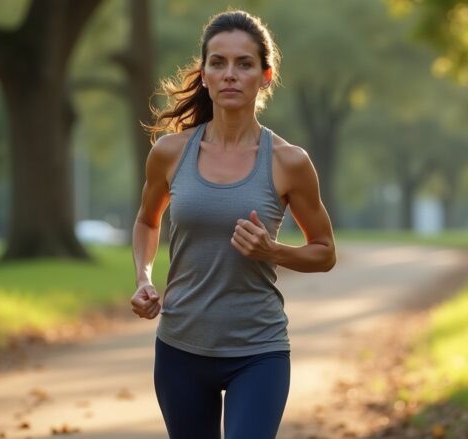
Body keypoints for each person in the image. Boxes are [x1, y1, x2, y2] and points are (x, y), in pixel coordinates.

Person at [130, 9, 336, 439]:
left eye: (244, 64)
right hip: (181, 347)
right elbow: (148, 223)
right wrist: (143, 278)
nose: (230, 74)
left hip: (258, 350)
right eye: (218, 62)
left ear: (265, 75)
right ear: (203, 74)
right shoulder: (170, 153)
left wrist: (272, 251)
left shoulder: (288, 162)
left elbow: (325, 252)